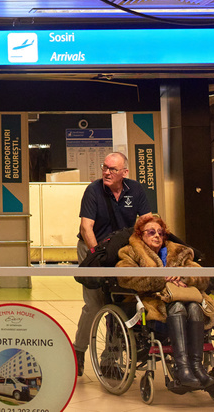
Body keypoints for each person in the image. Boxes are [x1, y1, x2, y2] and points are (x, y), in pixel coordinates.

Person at [116, 213, 214, 390]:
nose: (157, 235)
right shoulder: (130, 252)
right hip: (153, 302)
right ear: (140, 234)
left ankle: (196, 366)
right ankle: (182, 368)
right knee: (178, 307)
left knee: (194, 307)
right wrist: (161, 279)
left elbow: (201, 276)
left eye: (160, 233)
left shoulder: (179, 251)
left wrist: (184, 277)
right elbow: (125, 277)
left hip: (185, 298)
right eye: (151, 232)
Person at [74, 151, 151, 375]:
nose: (107, 172)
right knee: (95, 304)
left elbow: (147, 222)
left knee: (119, 303)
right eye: (105, 167)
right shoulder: (93, 190)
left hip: (120, 252)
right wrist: (97, 255)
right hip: (92, 249)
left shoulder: (135, 190)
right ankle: (78, 350)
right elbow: (86, 227)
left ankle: (110, 358)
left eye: (112, 169)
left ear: (124, 172)